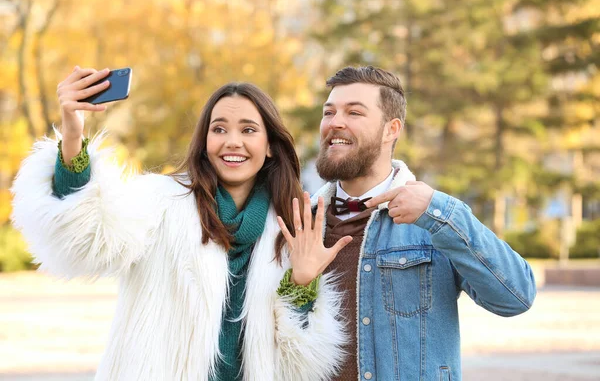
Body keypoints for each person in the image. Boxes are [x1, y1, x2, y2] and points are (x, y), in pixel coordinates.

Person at [11, 66, 351, 381]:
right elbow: (85, 233)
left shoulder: (292, 228)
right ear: (205, 144)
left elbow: (302, 364)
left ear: (271, 147)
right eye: (219, 129)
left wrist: (303, 283)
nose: (233, 141)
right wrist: (72, 136)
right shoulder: (160, 202)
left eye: (248, 129)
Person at [303, 65, 537, 380]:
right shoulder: (302, 224)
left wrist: (440, 214)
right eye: (328, 112)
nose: (336, 123)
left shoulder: (435, 221)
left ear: (391, 129)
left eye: (354, 113)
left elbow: (516, 296)